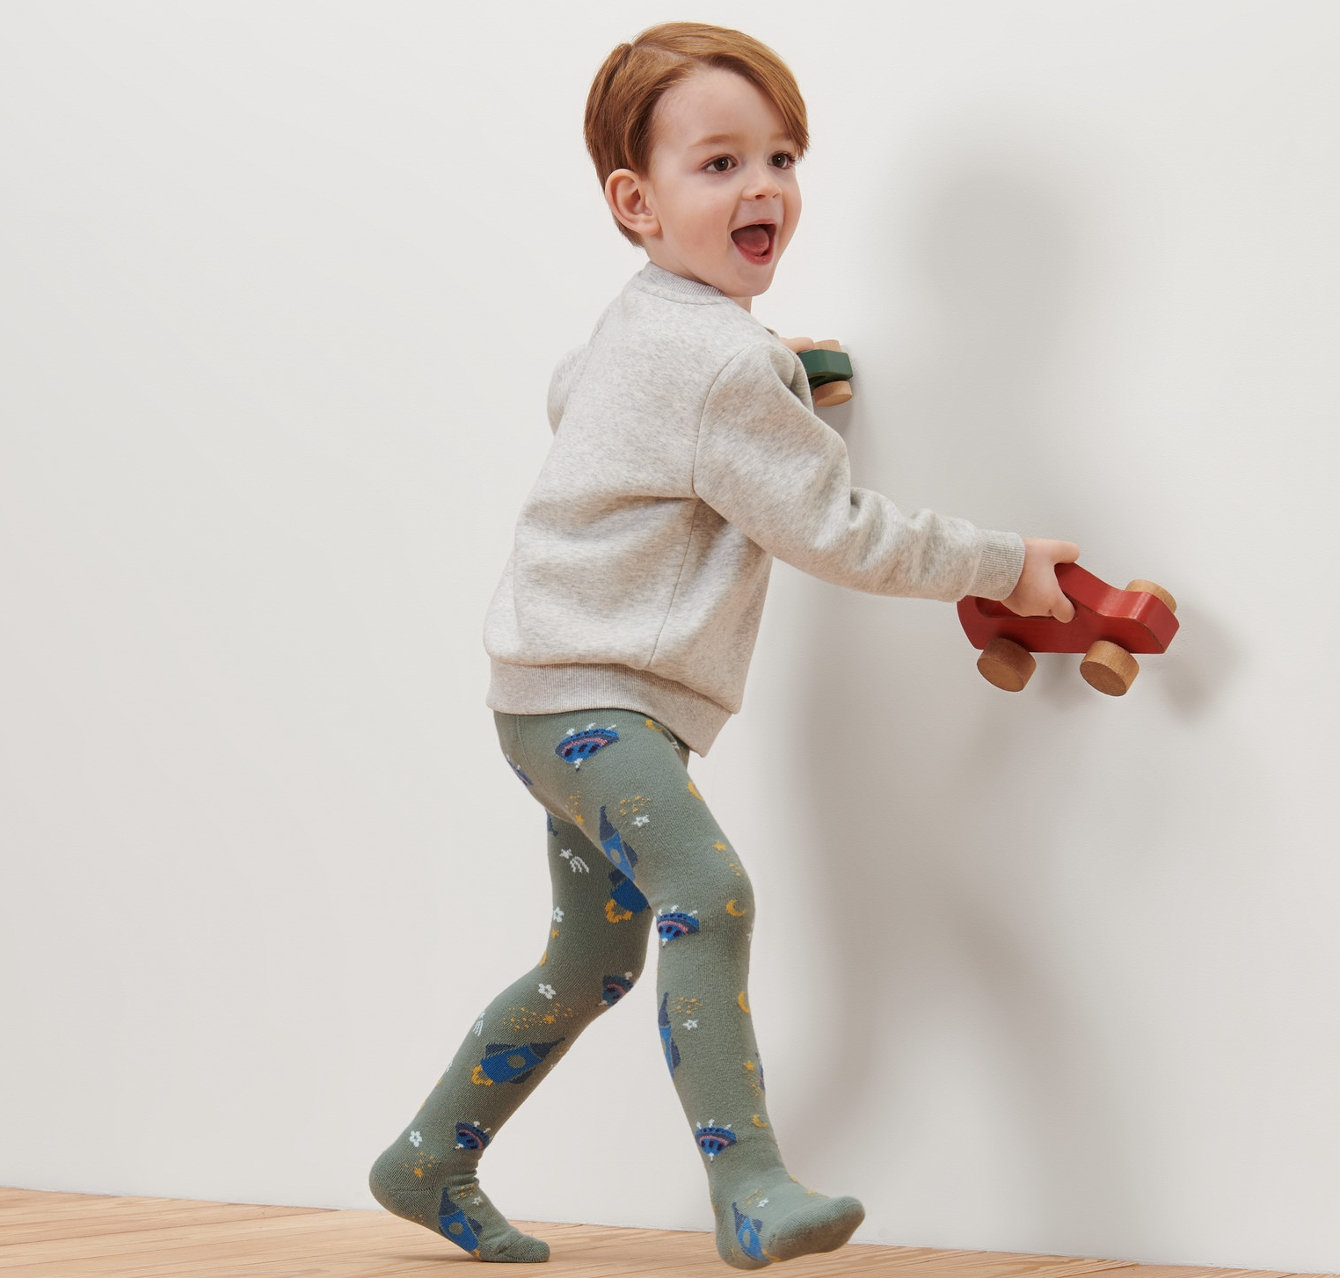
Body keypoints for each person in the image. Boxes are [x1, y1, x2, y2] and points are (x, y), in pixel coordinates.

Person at [369, 21, 1079, 1269]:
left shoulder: (655, 326)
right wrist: (1003, 561)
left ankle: (430, 1158)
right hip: (594, 701)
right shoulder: (715, 365)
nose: (764, 188)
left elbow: (574, 389)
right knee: (712, 893)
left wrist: (778, 373)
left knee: (588, 961)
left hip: (547, 695)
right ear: (635, 203)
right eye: (720, 165)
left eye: (783, 157)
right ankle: (748, 1184)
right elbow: (837, 530)